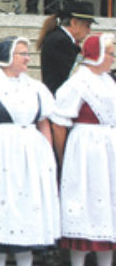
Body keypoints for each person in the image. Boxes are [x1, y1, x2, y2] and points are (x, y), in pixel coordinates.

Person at [0, 36, 60, 266]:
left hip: (30, 158)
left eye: (27, 53)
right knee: (0, 210)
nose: (27, 58)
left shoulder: (35, 87)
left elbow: (44, 121)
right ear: (7, 57)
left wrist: (47, 152)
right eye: (22, 53)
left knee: (27, 212)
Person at [50, 33, 116, 266]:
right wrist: (63, 155)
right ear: (96, 54)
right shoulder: (79, 82)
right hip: (86, 150)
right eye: (109, 53)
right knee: (84, 203)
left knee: (107, 206)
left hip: (108, 150)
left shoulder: (108, 81)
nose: (112, 57)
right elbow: (59, 121)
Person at [37, 0, 95, 95]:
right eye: (87, 26)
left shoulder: (65, 40)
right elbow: (71, 74)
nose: (89, 31)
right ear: (74, 22)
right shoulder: (59, 41)